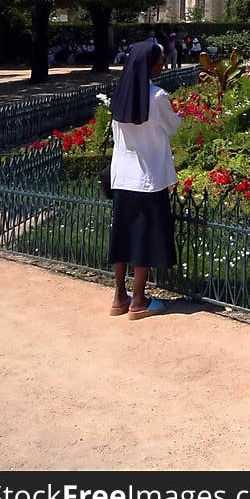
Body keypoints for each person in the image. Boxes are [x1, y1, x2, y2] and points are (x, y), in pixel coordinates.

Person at [107, 38, 182, 319]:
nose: (163, 64)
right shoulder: (157, 96)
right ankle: (138, 300)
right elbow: (173, 127)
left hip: (122, 177)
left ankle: (119, 297)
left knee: (123, 236)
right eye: (160, 60)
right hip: (149, 177)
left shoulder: (120, 94)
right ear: (150, 65)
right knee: (144, 238)